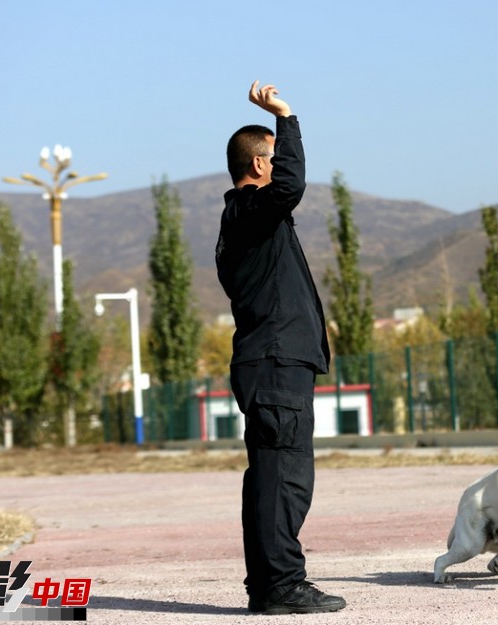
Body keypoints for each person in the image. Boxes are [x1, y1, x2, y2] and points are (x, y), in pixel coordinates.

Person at [215, 80, 345, 615]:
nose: (279, 166)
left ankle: (269, 585)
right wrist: (287, 118)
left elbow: (285, 193)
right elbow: (291, 185)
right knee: (283, 479)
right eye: (274, 157)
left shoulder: (253, 223)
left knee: (273, 479)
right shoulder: (249, 212)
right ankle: (282, 585)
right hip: (273, 365)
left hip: (275, 364)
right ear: (261, 165)